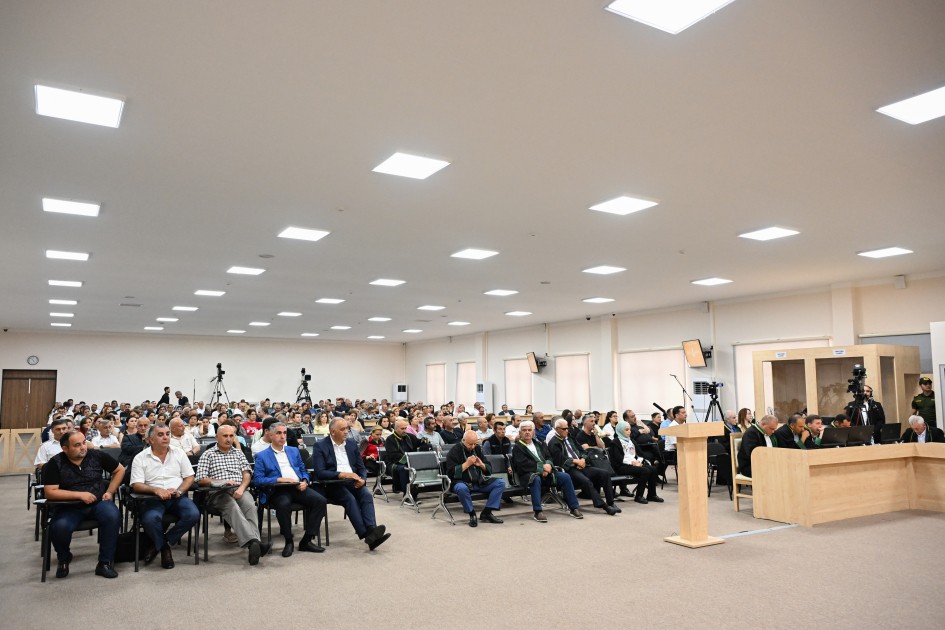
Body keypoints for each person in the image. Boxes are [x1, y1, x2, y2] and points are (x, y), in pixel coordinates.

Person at [43, 430, 124, 579]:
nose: (83, 447)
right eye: (77, 445)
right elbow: (50, 492)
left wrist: (111, 491)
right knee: (60, 527)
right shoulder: (55, 463)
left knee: (112, 515)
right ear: (65, 448)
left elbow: (119, 470)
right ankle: (64, 557)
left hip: (98, 503)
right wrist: (80, 495)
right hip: (69, 507)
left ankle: (104, 563)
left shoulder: (96, 456)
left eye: (84, 442)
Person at [195, 424, 270, 565]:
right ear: (217, 437)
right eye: (225, 436)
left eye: (231, 436)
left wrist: (241, 488)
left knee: (250, 506)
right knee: (232, 507)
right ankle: (254, 543)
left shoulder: (238, 453)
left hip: (238, 489)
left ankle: (254, 544)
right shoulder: (208, 454)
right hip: (217, 492)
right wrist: (221, 482)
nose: (229, 439)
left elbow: (247, 474)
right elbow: (200, 479)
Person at [311, 418, 391, 550]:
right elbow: (320, 473)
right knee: (350, 498)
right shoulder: (320, 445)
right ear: (332, 431)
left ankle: (371, 529)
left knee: (366, 494)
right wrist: (342, 474)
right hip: (332, 483)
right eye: (342, 429)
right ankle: (366, 535)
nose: (346, 432)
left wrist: (363, 479)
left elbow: (361, 467)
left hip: (353, 481)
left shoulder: (352, 444)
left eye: (347, 428)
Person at [130, 423, 200, 569]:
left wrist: (180, 491)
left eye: (167, 434)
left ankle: (162, 544)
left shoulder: (179, 453)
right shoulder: (140, 457)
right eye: (160, 434)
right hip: (152, 499)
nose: (165, 437)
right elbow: (136, 484)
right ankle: (165, 549)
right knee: (150, 519)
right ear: (150, 439)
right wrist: (156, 490)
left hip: (177, 496)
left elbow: (189, 477)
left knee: (193, 514)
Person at [252, 423, 327, 556]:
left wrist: (305, 481)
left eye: (284, 433)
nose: (283, 436)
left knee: (320, 500)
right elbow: (257, 480)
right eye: (278, 433)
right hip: (278, 490)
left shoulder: (293, 451)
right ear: (270, 435)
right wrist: (278, 479)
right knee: (283, 504)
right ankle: (289, 541)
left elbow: (303, 470)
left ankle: (306, 540)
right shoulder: (262, 455)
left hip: (297, 487)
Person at [511, 421, 582, 522]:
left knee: (565, 477)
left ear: (533, 432)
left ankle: (574, 508)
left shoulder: (539, 443)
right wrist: (542, 469)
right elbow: (522, 464)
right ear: (520, 433)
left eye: (529, 430)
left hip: (547, 473)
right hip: (528, 475)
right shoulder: (517, 448)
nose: (527, 432)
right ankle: (538, 511)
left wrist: (548, 465)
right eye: (524, 430)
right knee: (536, 479)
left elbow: (549, 456)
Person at [548, 418, 619, 515]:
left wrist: (583, 460)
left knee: (604, 473)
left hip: (582, 465)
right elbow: (560, 460)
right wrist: (576, 462)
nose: (567, 431)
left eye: (567, 428)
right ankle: (604, 506)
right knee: (587, 481)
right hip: (570, 469)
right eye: (564, 429)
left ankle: (611, 502)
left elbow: (583, 451)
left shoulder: (570, 438)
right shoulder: (553, 443)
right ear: (556, 429)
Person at [444, 431, 506, 527]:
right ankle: (472, 514)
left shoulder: (477, 448)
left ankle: (487, 512)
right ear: (463, 440)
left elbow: (488, 469)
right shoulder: (454, 451)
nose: (472, 446)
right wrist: (466, 464)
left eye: (474, 443)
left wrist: (481, 465)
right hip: (462, 482)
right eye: (470, 444)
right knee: (461, 488)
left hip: (479, 481)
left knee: (500, 483)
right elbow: (451, 473)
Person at [608, 420, 661, 504]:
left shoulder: (631, 441)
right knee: (645, 471)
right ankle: (639, 496)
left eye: (629, 429)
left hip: (634, 464)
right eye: (626, 430)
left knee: (653, 469)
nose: (629, 431)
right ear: (620, 430)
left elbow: (640, 454)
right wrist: (633, 462)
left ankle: (651, 495)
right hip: (621, 466)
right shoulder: (615, 442)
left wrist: (638, 461)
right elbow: (618, 458)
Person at [383, 419, 426, 493]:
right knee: (404, 469)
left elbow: (418, 442)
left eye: (405, 428)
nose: (404, 431)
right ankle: (407, 494)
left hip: (410, 460)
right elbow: (393, 455)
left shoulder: (410, 436)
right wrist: (408, 459)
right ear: (396, 429)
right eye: (402, 429)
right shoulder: (390, 439)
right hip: (394, 462)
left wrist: (424, 441)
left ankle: (417, 490)